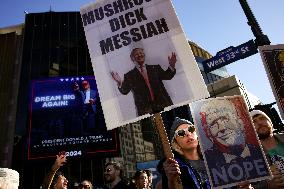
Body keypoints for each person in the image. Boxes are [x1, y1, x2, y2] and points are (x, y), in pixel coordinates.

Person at [162, 117, 253, 189]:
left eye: (191, 129)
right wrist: (171, 180)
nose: (188, 134)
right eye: (181, 133)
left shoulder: (219, 160)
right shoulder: (174, 168)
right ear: (176, 144)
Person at [199, 99, 268, 186]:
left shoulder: (262, 153)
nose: (221, 128)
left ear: (240, 122)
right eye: (213, 124)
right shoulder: (209, 165)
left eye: (224, 119)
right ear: (209, 135)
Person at [111, 48, 176, 116]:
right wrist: (119, 82)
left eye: (141, 53)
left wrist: (172, 65)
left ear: (144, 55)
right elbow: (125, 91)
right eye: (136, 54)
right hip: (145, 110)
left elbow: (168, 76)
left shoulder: (155, 68)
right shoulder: (129, 76)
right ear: (132, 58)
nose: (139, 55)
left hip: (164, 104)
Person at [250, 110, 284, 189]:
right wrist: (267, 185)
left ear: (270, 122)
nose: (259, 123)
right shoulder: (250, 158)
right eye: (254, 121)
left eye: (262, 118)